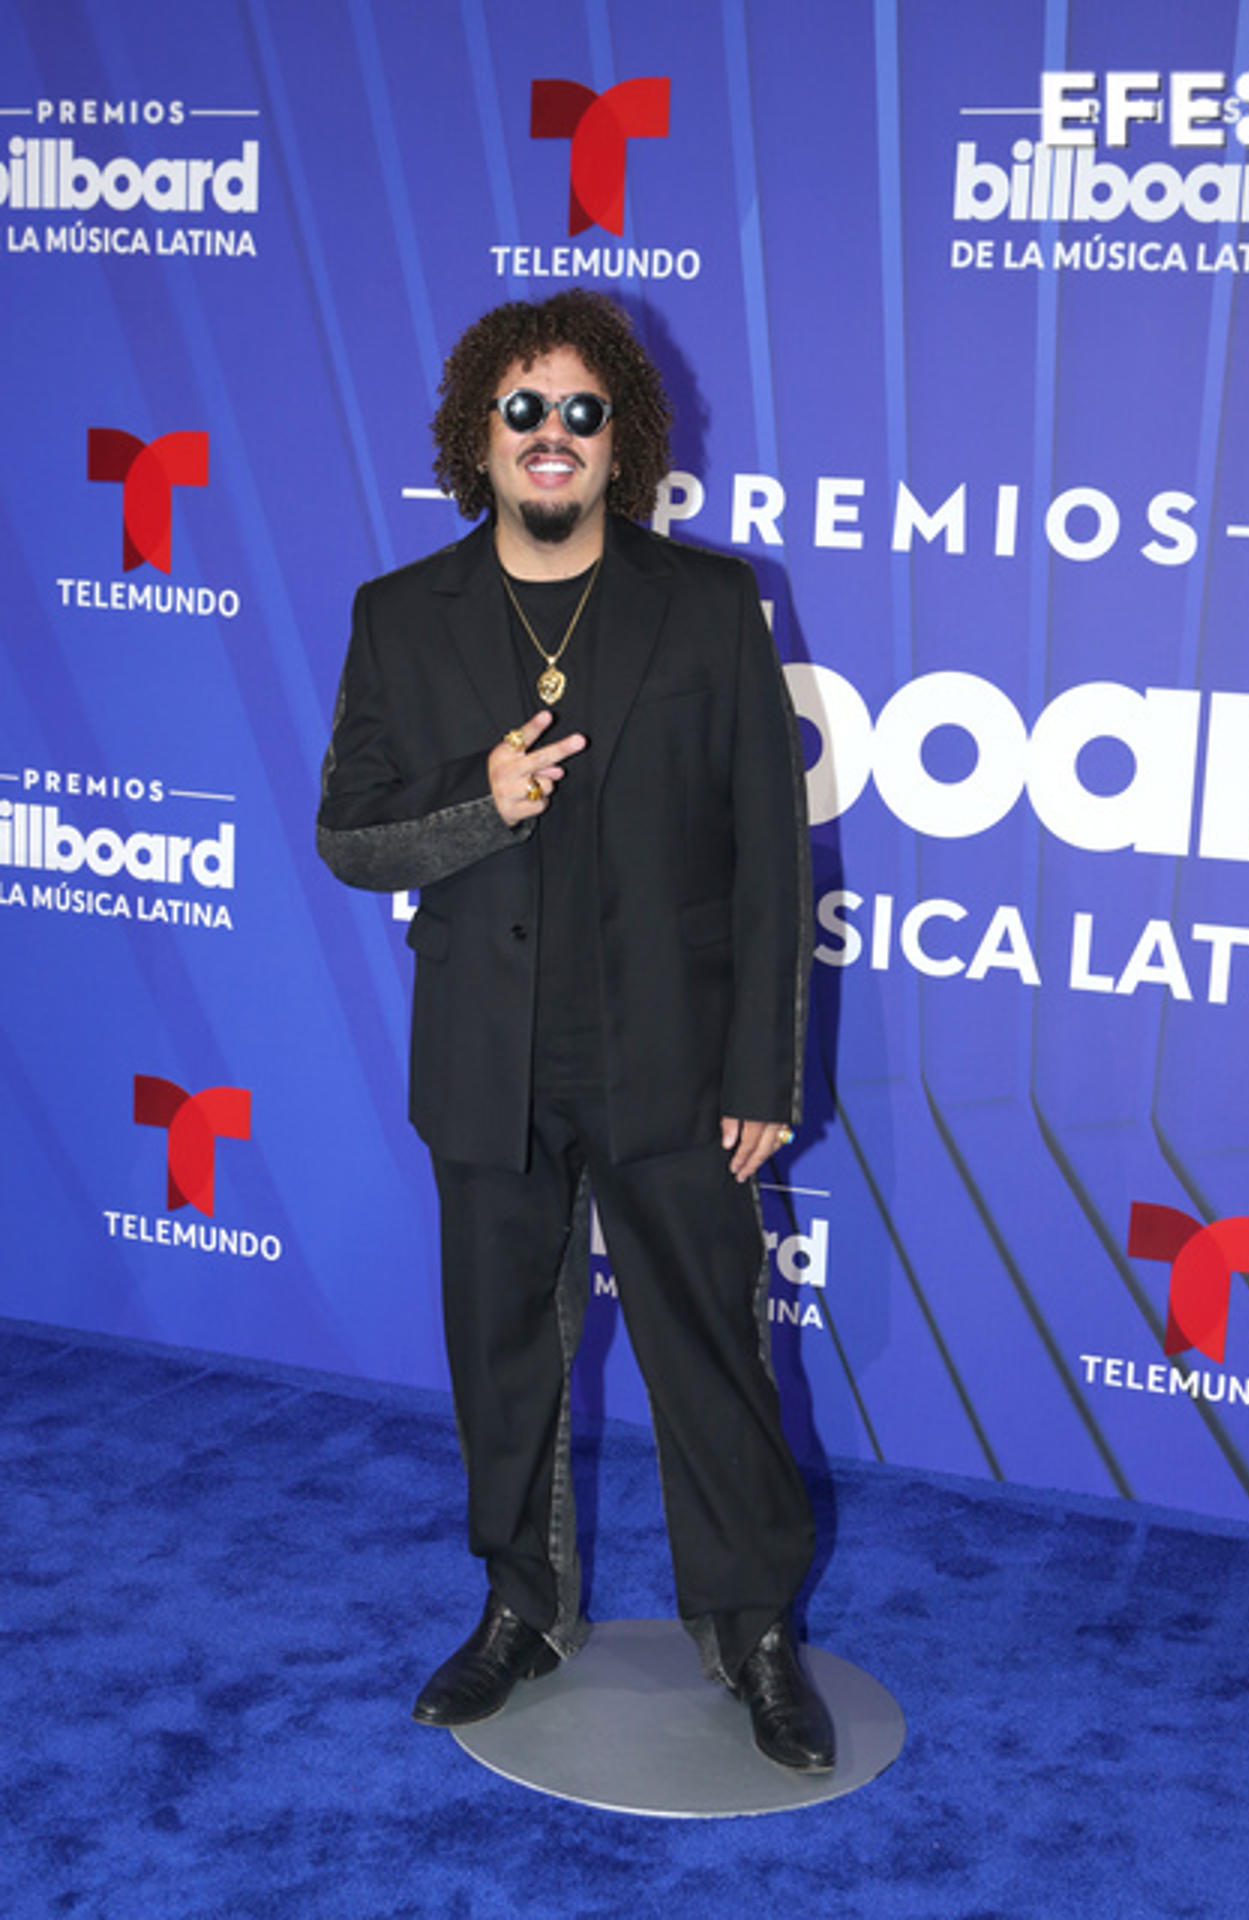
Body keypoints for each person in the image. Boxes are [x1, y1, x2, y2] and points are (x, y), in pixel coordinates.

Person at [316, 289, 832, 1772]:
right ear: (476, 438)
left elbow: (765, 859)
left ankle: (753, 1633)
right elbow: (350, 838)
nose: (552, 434)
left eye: (581, 412)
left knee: (709, 1358)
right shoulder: (397, 617)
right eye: (522, 410)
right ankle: (518, 1611)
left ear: (625, 441)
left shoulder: (707, 603)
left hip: (670, 1057)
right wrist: (481, 804)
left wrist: (760, 1069)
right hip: (487, 1061)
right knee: (501, 1358)